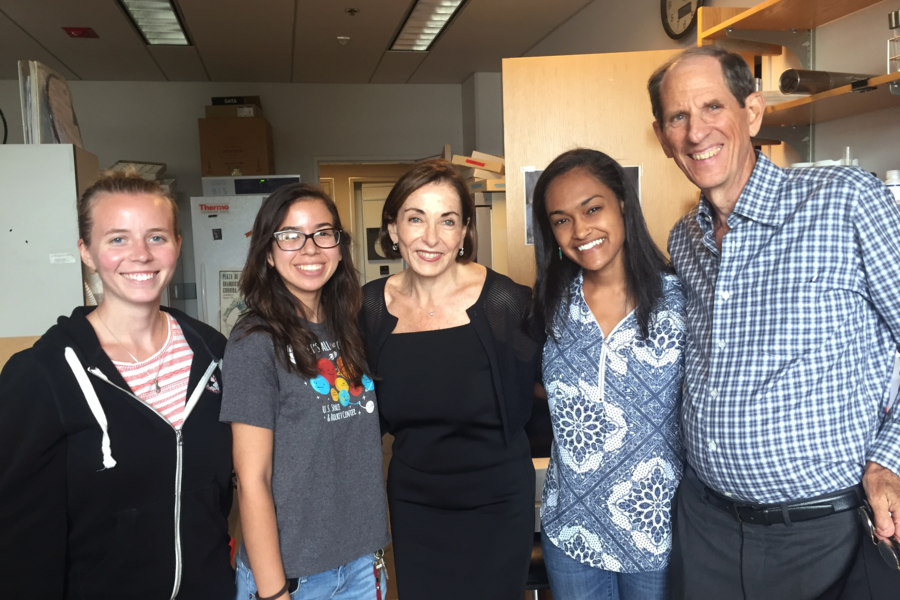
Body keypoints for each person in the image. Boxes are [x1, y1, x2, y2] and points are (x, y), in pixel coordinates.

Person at [648, 45, 900, 599]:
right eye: (678, 117)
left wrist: (890, 457)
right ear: (663, 136)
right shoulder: (683, 240)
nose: (696, 133)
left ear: (753, 112)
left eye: (713, 107)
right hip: (706, 527)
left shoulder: (845, 201)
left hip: (826, 536)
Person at [0, 172, 235, 599]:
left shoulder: (215, 353)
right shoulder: (42, 374)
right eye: (117, 239)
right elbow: (20, 541)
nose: (141, 255)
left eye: (157, 237)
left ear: (178, 245)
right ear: (86, 252)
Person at [359, 159, 540, 600]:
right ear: (392, 229)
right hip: (415, 503)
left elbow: (540, 398)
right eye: (415, 219)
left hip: (498, 502)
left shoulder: (507, 303)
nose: (431, 238)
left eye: (448, 221)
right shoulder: (368, 309)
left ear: (463, 234)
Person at [527, 149, 686, 600]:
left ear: (622, 203)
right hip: (570, 529)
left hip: (657, 532)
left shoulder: (681, 302)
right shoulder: (550, 306)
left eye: (592, 208)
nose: (580, 231)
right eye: (561, 220)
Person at [220, 183, 389, 600]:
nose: (310, 248)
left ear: (338, 245)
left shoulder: (350, 327)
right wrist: (274, 592)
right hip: (296, 578)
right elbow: (251, 478)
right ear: (269, 253)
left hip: (361, 564)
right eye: (290, 235)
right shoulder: (255, 340)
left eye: (323, 233)